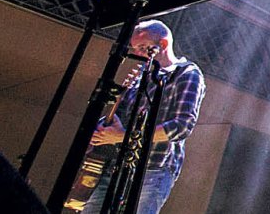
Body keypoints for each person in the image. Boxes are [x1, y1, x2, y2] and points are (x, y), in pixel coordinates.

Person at [83, 20, 205, 214]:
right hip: (118, 165)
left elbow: (182, 126)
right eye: (135, 48)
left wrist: (121, 136)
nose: (137, 54)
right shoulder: (142, 74)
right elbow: (121, 117)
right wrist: (101, 131)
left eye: (142, 47)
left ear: (163, 44)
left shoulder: (187, 73)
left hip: (153, 168)